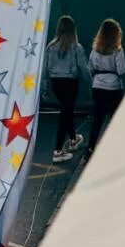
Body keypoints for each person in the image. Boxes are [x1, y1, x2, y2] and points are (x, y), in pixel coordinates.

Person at [43, 16, 91, 162]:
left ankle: (73, 139)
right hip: (70, 83)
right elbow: (83, 68)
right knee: (65, 113)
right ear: (73, 29)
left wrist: (44, 88)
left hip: (56, 83)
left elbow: (45, 69)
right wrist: (91, 83)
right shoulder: (76, 47)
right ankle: (57, 151)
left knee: (66, 110)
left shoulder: (50, 47)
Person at [87, 19, 125, 145]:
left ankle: (90, 148)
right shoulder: (118, 50)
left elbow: (90, 68)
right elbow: (121, 71)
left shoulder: (95, 50)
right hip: (114, 89)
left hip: (98, 87)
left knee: (97, 120)